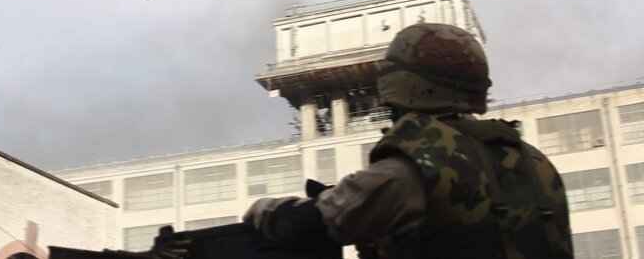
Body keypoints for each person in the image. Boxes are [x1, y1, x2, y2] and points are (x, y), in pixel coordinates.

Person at [244, 23, 573, 258]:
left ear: (400, 85)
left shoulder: (414, 167)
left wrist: (268, 210)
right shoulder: (535, 162)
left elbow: (304, 227)